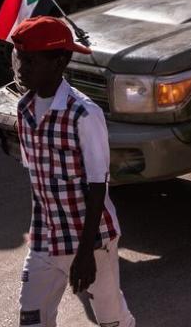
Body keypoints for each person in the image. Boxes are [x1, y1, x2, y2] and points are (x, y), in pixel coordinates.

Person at [10, 16, 135, 327]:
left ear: (59, 61)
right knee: (32, 317)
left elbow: (97, 185)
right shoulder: (23, 108)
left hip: (90, 241)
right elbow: (37, 177)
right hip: (45, 236)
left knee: (110, 319)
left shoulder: (84, 113)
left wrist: (85, 254)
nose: (20, 68)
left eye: (30, 61)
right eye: (18, 59)